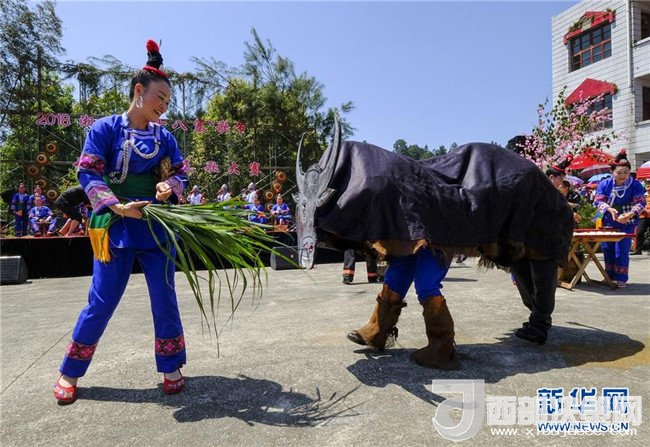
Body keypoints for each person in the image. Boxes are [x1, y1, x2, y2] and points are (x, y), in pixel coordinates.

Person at [53, 39, 189, 404]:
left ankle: (171, 366)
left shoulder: (165, 137)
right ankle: (70, 371)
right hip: (114, 226)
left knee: (164, 296)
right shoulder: (105, 129)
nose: (164, 105)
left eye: (168, 100)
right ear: (139, 91)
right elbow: (88, 172)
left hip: (156, 224)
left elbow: (181, 172)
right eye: (160, 97)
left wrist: (169, 186)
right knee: (102, 300)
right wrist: (116, 206)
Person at [593, 150, 645, 287]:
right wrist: (609, 209)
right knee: (607, 248)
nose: (622, 176)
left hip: (627, 221)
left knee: (622, 249)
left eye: (626, 172)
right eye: (619, 172)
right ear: (612, 172)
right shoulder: (605, 184)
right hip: (608, 220)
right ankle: (609, 276)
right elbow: (598, 200)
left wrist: (629, 214)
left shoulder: (635, 184)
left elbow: (640, 202)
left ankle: (621, 278)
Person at [631, 181, 650, 255]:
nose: (649, 188)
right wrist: (643, 209)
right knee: (639, 232)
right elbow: (638, 204)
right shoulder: (642, 195)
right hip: (643, 216)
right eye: (648, 186)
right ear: (645, 187)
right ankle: (638, 250)